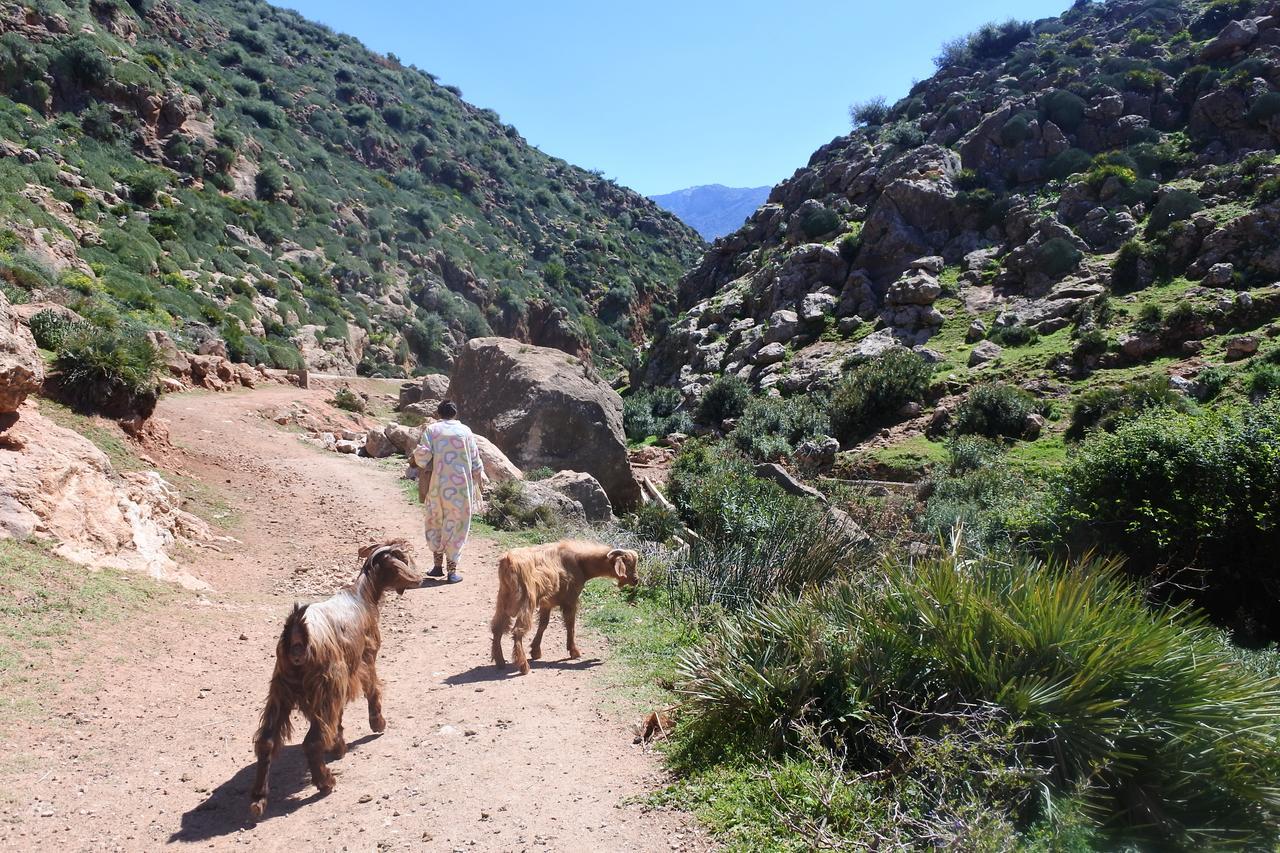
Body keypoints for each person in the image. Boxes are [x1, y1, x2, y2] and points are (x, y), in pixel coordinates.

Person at [411, 400, 488, 584]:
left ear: (438, 413)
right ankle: (452, 572)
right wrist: (478, 478)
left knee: (436, 520)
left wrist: (417, 458)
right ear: (455, 414)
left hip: (438, 486)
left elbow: (422, 456)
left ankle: (437, 567)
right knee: (457, 525)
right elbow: (475, 460)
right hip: (461, 488)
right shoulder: (466, 431)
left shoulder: (432, 430)